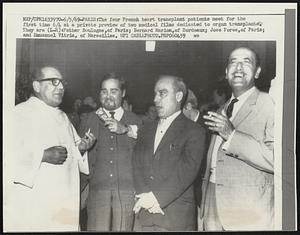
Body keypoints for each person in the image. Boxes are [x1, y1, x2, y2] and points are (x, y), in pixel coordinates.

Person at [5, 66, 96, 232]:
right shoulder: (18, 114)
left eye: (62, 82)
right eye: (54, 82)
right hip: (35, 203)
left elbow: (72, 156)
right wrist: (42, 155)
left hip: (65, 202)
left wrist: (81, 149)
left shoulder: (62, 117)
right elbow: (7, 156)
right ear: (37, 86)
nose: (60, 87)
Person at [199, 47, 275, 230]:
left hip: (248, 210)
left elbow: (277, 160)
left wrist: (232, 135)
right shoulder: (221, 109)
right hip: (213, 203)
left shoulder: (270, 103)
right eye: (233, 61)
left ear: (257, 72)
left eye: (246, 61)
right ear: (226, 73)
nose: (238, 67)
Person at [132, 75, 206, 231]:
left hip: (175, 218)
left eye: (162, 93)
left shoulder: (194, 131)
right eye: (155, 94)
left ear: (179, 96)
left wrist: (156, 199)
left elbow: (187, 171)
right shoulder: (146, 130)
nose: (156, 99)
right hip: (144, 215)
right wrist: (145, 197)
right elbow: (136, 165)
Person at [79, 72, 142, 231]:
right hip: (97, 193)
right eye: (104, 91)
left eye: (113, 91)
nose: (108, 96)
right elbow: (77, 159)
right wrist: (82, 149)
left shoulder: (136, 121)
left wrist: (126, 129)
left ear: (123, 93)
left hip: (127, 193)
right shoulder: (88, 120)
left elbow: (146, 153)